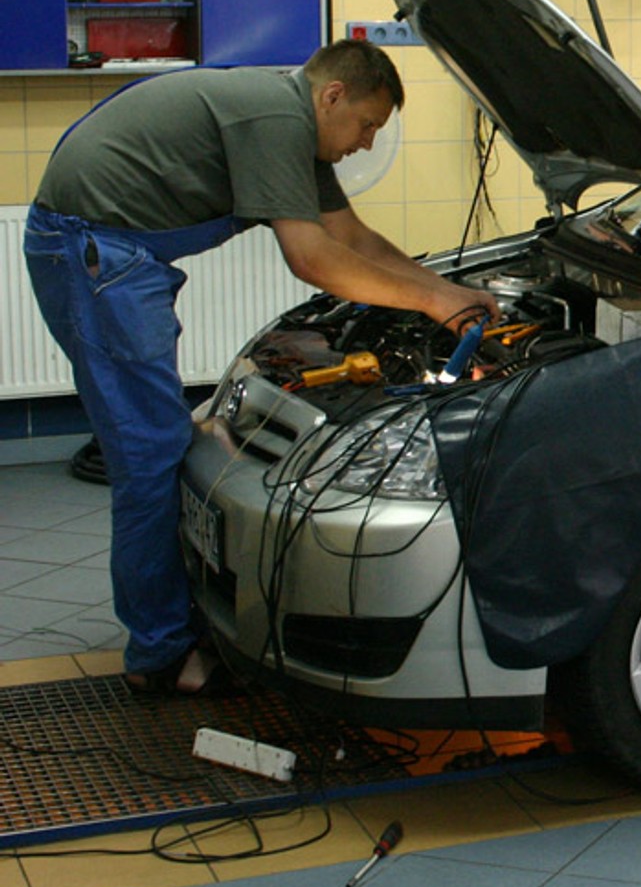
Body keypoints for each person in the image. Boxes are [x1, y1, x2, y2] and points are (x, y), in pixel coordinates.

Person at [22, 41, 500, 695]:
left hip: (116, 248)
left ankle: (181, 622)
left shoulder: (295, 120)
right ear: (332, 96)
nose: (365, 144)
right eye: (366, 125)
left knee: (162, 444)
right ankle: (159, 657)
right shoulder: (277, 119)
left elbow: (350, 237)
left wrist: (442, 291)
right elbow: (311, 259)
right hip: (93, 250)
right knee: (149, 456)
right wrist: (431, 301)